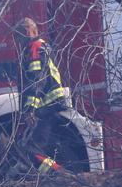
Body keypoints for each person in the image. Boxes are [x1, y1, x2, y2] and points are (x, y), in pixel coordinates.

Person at [18, 17, 90, 174]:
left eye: (21, 32)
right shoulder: (42, 46)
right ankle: (60, 175)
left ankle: (60, 176)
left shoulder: (34, 48)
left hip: (46, 106)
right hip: (51, 105)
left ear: (31, 31)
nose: (19, 38)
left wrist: (30, 109)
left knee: (31, 149)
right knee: (46, 147)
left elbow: (37, 79)